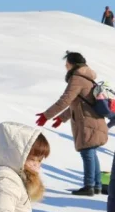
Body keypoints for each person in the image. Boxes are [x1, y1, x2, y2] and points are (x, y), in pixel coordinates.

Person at [36, 51, 108, 196]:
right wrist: (61, 118)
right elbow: (78, 103)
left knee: (87, 152)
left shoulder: (77, 78)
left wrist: (46, 115)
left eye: (67, 63)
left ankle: (89, 186)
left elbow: (66, 100)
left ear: (73, 64)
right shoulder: (87, 78)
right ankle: (97, 185)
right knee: (91, 152)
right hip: (93, 120)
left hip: (87, 121)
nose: (65, 65)